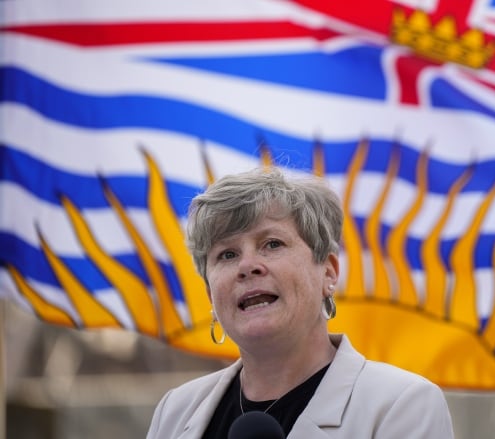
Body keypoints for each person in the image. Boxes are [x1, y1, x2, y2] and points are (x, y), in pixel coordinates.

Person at [146, 166, 455, 438]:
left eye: (272, 244)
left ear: (328, 272)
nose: (247, 266)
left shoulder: (402, 405)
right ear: (211, 295)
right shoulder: (175, 412)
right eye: (227, 254)